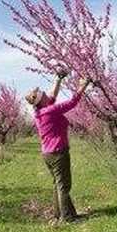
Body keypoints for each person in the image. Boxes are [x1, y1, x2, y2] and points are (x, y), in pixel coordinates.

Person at [25, 72, 91, 223]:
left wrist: (58, 79)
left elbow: (52, 94)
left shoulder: (41, 111)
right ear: (42, 101)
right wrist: (83, 86)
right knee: (64, 185)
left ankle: (60, 213)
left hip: (48, 153)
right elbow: (73, 102)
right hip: (57, 152)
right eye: (44, 95)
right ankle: (67, 218)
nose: (48, 95)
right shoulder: (50, 110)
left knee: (57, 184)